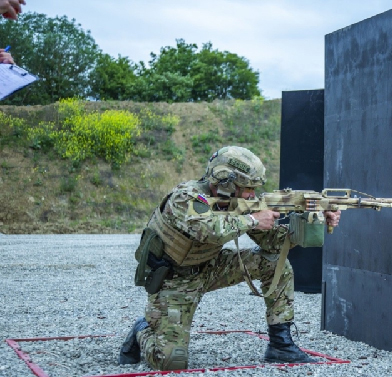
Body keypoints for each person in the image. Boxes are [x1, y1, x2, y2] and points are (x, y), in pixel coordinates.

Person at [119, 146, 341, 371]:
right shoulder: (186, 197)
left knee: (274, 261)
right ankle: (142, 330)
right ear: (227, 182)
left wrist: (312, 220)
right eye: (248, 188)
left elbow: (273, 243)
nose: (252, 195)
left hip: (211, 267)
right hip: (174, 280)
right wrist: (253, 219)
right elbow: (208, 230)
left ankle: (280, 344)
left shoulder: (238, 202)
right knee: (170, 362)